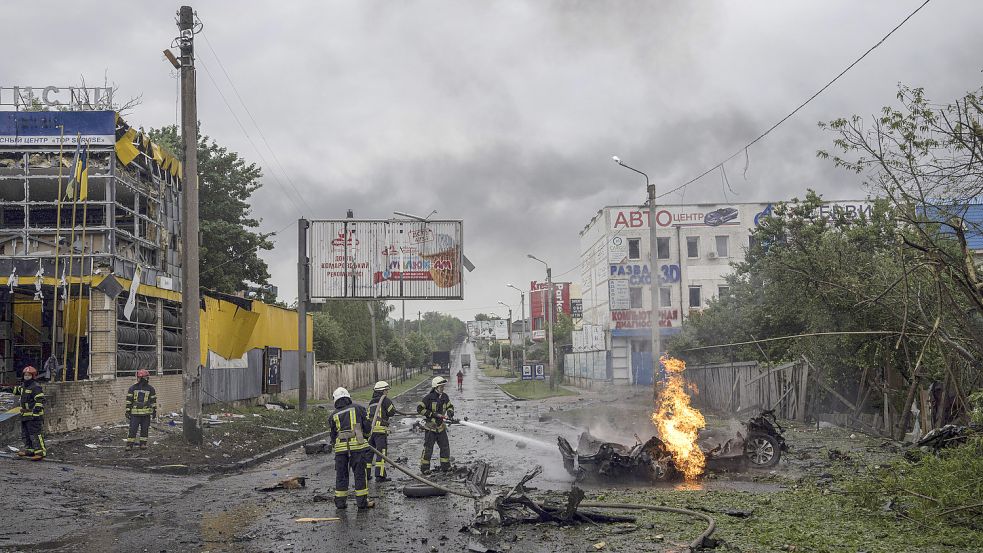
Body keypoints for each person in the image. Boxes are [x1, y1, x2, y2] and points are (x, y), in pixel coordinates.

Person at [329, 387, 374, 510]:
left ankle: (340, 503)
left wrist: (336, 445)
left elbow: (333, 435)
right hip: (357, 449)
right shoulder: (358, 408)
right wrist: (365, 437)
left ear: (336, 400)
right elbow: (367, 426)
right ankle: (362, 503)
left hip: (340, 451)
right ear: (348, 397)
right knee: (359, 475)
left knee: (341, 476)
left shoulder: (333, 415)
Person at [1, 366, 46, 461]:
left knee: (36, 434)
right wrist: (3, 389)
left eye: (29, 375)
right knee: (26, 434)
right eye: (25, 374)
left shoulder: (36, 387)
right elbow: (15, 390)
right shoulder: (24, 386)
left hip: (34, 416)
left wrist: (35, 411)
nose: (26, 376)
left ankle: (40, 452)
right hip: (25, 415)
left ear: (33, 376)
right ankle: (30, 450)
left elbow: (40, 400)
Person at [417, 376, 455, 474]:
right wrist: (432, 414)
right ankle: (425, 468)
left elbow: (450, 406)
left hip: (441, 427)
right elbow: (420, 409)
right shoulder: (429, 398)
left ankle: (446, 467)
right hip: (431, 428)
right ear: (436, 387)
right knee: (428, 449)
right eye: (441, 386)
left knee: (445, 447)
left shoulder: (445, 397)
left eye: (443, 386)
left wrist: (450, 412)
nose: (443, 388)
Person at [367, 381, 397, 482]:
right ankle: (380, 476)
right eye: (386, 390)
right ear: (382, 391)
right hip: (380, 432)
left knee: (369, 453)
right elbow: (392, 412)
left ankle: (366, 475)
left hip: (370, 432)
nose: (387, 392)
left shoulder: (371, 402)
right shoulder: (385, 400)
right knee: (381, 454)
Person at [125, 369, 157, 451]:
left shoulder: (151, 389)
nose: (147, 379)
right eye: (146, 377)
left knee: (144, 430)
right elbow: (129, 400)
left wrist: (154, 411)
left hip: (146, 415)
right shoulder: (132, 388)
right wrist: (128, 411)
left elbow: (153, 401)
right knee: (132, 430)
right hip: (135, 415)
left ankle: (143, 444)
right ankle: (129, 445)